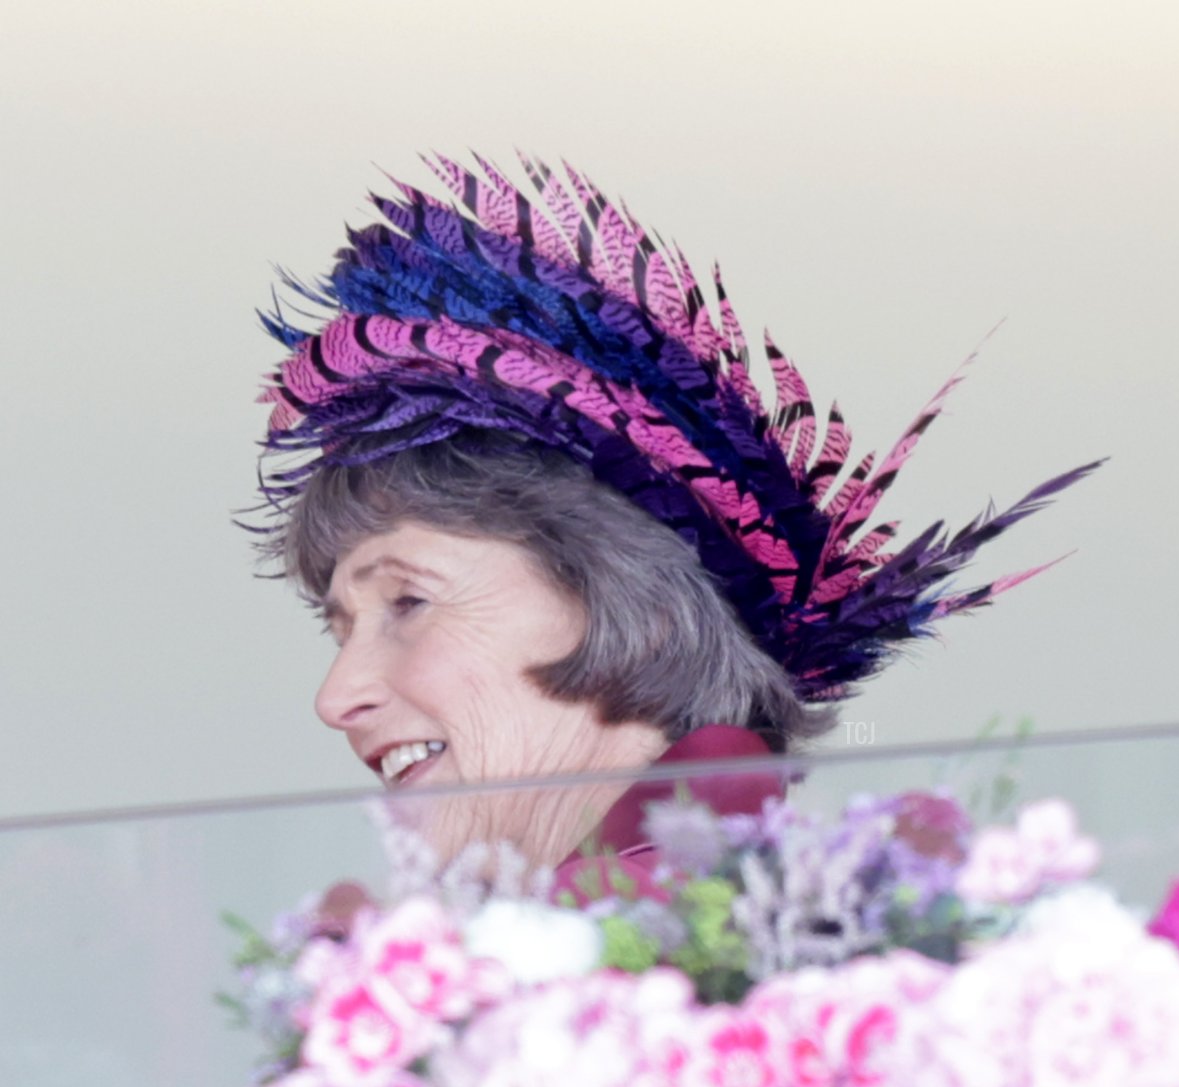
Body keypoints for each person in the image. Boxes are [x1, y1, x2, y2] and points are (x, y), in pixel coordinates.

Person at [253, 153, 1095, 871]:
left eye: (408, 601)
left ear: (640, 613)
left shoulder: (705, 971)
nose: (337, 696)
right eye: (341, 630)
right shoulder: (673, 934)